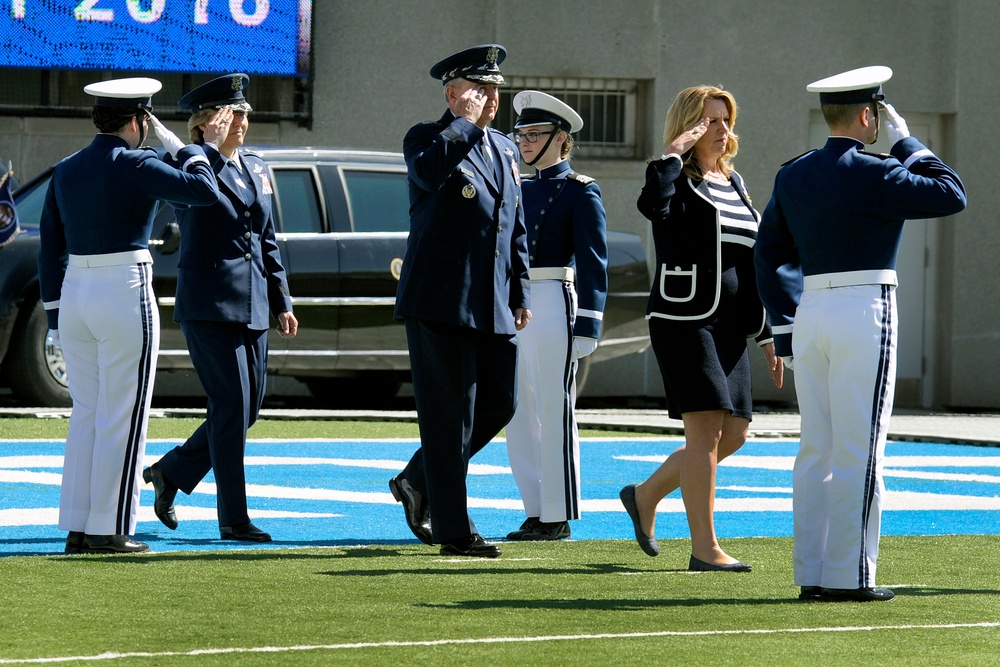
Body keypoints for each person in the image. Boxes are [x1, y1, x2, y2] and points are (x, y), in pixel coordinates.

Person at [754, 66, 967, 602]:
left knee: (816, 448)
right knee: (861, 448)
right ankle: (851, 575)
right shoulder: (879, 173)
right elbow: (951, 193)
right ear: (869, 115)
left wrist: (784, 325)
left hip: (810, 313)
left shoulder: (793, 174)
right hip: (865, 308)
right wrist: (907, 143)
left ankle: (813, 573)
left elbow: (770, 252)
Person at [37, 77, 220, 554]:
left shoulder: (67, 168)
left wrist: (55, 313)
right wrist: (187, 148)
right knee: (125, 413)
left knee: (89, 413)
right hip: (123, 288)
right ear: (139, 120)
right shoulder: (138, 161)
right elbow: (203, 191)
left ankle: (79, 526)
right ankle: (109, 528)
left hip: (74, 293)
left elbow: (50, 244)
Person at [619, 85, 783, 572]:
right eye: (709, 121)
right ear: (689, 126)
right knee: (706, 429)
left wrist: (769, 331)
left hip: (733, 324)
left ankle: (646, 494)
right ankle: (704, 549)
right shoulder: (674, 179)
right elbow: (653, 207)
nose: (720, 130)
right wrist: (671, 155)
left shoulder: (735, 183)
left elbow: (752, 260)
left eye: (724, 121)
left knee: (733, 435)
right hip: (684, 319)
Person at [142, 74, 298, 543]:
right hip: (210, 305)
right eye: (233, 115)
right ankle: (234, 518)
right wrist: (206, 149)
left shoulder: (255, 165)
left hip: (252, 304)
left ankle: (171, 471)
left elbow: (265, 238)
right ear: (209, 123)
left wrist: (281, 300)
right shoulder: (189, 165)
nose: (244, 122)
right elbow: (198, 193)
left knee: (246, 409)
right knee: (230, 404)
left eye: (245, 113)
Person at [389, 44, 531, 558]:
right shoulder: (428, 137)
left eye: (495, 88)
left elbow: (512, 224)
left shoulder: (507, 150)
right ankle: (455, 530)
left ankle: (416, 478)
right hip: (440, 298)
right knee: (451, 417)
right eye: (480, 89)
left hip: (491, 299)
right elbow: (429, 175)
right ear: (453, 94)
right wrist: (463, 125)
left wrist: (519, 288)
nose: (491, 98)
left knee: (500, 402)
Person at [504, 91, 608, 541]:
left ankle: (558, 511)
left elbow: (593, 259)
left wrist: (589, 321)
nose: (524, 142)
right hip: (517, 302)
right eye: (521, 134)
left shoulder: (580, 190)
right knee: (518, 411)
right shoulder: (518, 187)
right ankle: (534, 507)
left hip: (553, 297)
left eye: (534, 134)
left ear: (560, 138)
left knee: (554, 406)